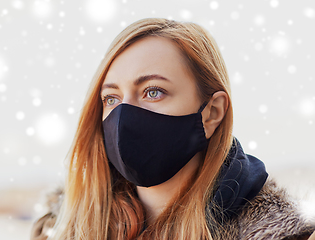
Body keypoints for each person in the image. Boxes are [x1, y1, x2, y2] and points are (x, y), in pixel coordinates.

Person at [30, 18, 315, 240]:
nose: (124, 115)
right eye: (111, 98)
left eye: (153, 92)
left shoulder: (285, 234)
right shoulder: (60, 228)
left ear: (211, 113)